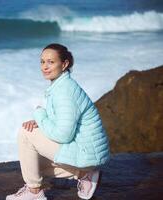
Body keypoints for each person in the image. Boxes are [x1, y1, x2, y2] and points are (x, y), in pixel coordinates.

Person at [6, 43, 110, 200]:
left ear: (64, 64)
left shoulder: (65, 91)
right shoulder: (61, 85)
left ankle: (35, 192)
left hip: (86, 152)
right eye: (42, 62)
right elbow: (61, 119)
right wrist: (40, 121)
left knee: (25, 134)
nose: (45, 67)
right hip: (86, 153)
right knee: (32, 165)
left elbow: (63, 135)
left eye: (51, 62)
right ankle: (84, 174)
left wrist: (40, 115)